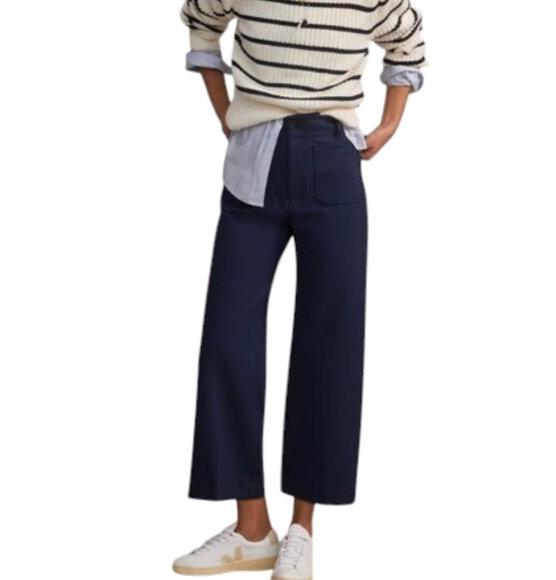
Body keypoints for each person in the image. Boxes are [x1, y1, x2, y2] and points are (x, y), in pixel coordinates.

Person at [172, 0, 427, 578]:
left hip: (333, 159)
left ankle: (302, 530)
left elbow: (408, 42)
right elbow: (201, 21)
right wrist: (223, 109)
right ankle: (252, 528)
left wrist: (389, 124)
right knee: (228, 340)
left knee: (327, 346)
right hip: (252, 163)